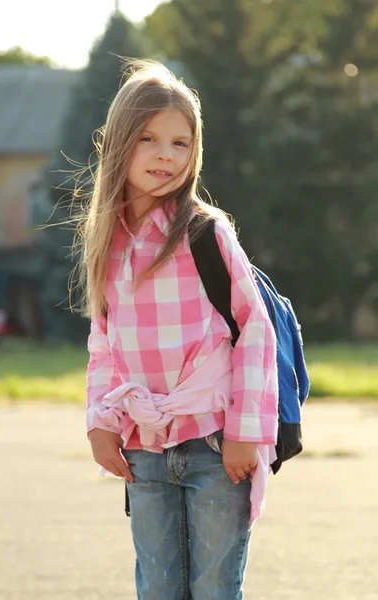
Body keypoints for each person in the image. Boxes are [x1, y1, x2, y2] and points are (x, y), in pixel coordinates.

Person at [80, 59, 279, 600]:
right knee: (159, 587)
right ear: (118, 142)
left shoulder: (204, 233)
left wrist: (244, 431)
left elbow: (255, 330)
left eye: (180, 143)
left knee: (215, 588)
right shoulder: (107, 242)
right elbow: (103, 346)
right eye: (148, 138)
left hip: (216, 444)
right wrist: (100, 422)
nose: (166, 155)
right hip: (143, 445)